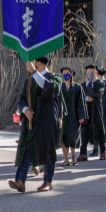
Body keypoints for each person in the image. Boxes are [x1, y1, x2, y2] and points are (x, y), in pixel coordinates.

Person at [10, 56, 64, 193]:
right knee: (26, 149)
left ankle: (48, 181)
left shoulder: (55, 78)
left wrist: (34, 72)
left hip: (46, 121)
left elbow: (51, 90)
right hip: (31, 122)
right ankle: (21, 180)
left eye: (34, 63)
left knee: (47, 151)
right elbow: (22, 99)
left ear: (38, 63)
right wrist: (25, 110)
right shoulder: (29, 80)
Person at [60, 67, 86, 166]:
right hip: (63, 117)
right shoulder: (60, 87)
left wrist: (81, 116)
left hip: (74, 117)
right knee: (63, 138)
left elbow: (81, 102)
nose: (65, 74)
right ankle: (66, 160)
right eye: (64, 73)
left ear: (71, 74)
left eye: (67, 73)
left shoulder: (77, 87)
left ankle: (73, 154)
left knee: (72, 138)